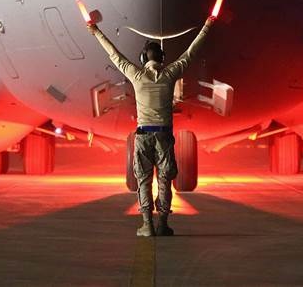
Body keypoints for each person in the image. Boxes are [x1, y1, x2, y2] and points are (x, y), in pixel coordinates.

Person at [87, 16, 215, 237]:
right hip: (164, 137)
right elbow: (190, 53)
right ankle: (163, 224)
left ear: (143, 58)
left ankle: (147, 225)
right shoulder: (170, 74)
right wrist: (207, 26)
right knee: (165, 181)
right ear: (162, 58)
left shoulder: (136, 75)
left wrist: (96, 31)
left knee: (143, 181)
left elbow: (114, 54)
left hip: (143, 136)